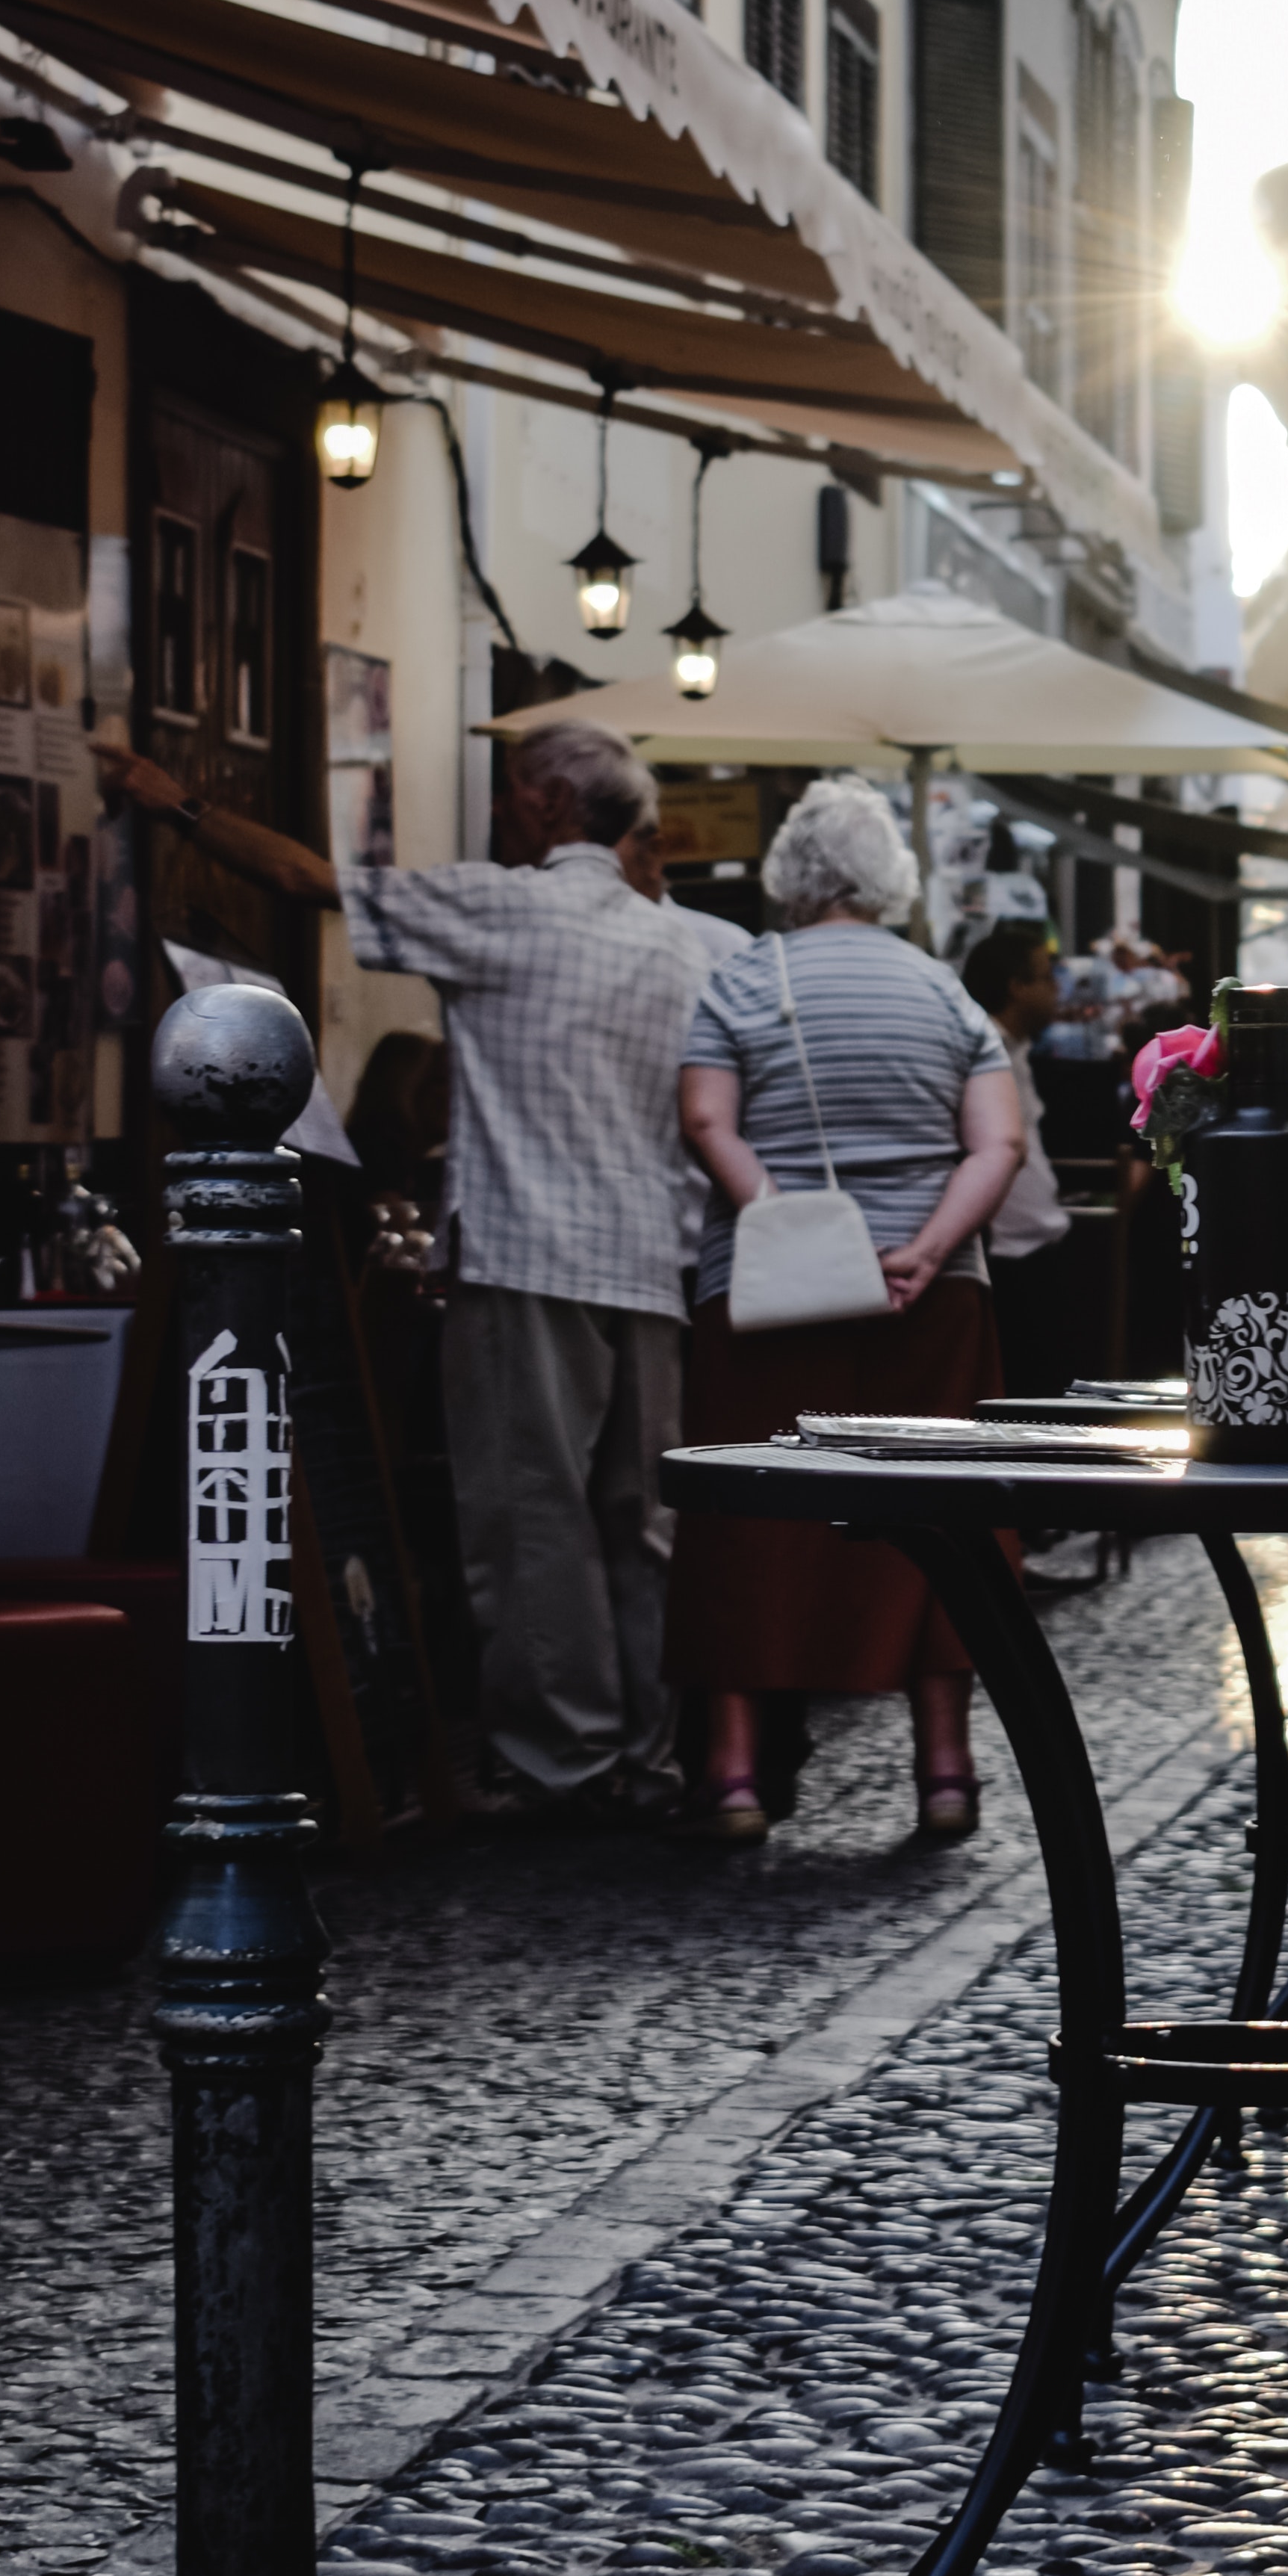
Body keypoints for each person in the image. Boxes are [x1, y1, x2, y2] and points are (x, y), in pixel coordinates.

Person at [338, 720, 722, 1825]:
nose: (503, 810)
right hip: (652, 1260)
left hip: (527, 1255)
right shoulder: (681, 942)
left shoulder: (507, 907)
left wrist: (176, 809)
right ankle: (648, 1751)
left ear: (552, 805)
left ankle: (566, 1757)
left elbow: (328, 887)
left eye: (514, 793)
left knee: (529, 1511)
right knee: (641, 1520)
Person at [671, 776, 1024, 1849]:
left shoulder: (739, 980)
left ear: (789, 874)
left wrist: (793, 1231)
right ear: (889, 880)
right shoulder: (946, 992)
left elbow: (704, 1117)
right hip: (935, 1300)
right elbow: (998, 1145)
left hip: (769, 1296)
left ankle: (734, 1777)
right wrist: (919, 1249)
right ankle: (946, 1768)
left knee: (746, 1521)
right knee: (938, 1520)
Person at [961, 914, 1076, 1402]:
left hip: (1034, 1252)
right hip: (1006, 1261)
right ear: (1017, 987)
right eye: (1047, 976)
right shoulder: (982, 1048)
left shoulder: (1017, 1048)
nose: (1057, 989)